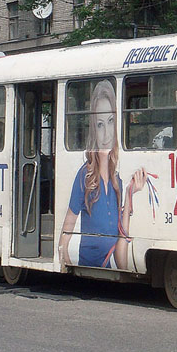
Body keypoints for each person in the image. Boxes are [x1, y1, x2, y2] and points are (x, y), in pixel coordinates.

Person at [58, 80, 147, 269]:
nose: (106, 133)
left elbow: (120, 253)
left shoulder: (118, 180)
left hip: (107, 268)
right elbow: (65, 236)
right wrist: (64, 267)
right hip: (86, 270)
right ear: (93, 129)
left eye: (110, 121)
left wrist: (130, 194)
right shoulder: (84, 176)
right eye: (100, 125)